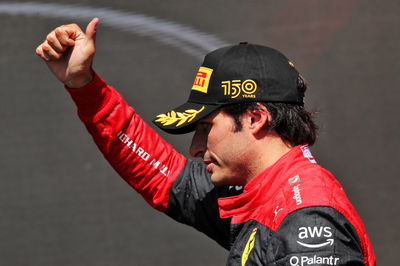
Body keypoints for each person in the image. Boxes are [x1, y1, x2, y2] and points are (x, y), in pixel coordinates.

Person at [36, 18, 376, 266]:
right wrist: (85, 88)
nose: (196, 149)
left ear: (255, 118)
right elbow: (161, 172)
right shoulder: (258, 190)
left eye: (205, 126)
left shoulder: (307, 217)